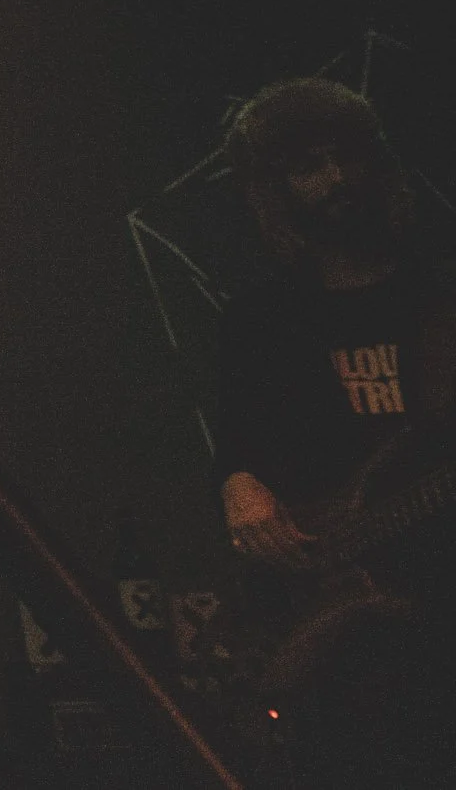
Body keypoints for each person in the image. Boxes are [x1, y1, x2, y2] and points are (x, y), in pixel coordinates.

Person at [214, 76, 456, 786]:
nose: (335, 179)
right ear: (276, 191)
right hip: (338, 631)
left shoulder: (440, 297)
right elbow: (239, 446)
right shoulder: (260, 321)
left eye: (345, 156)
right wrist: (239, 484)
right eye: (308, 166)